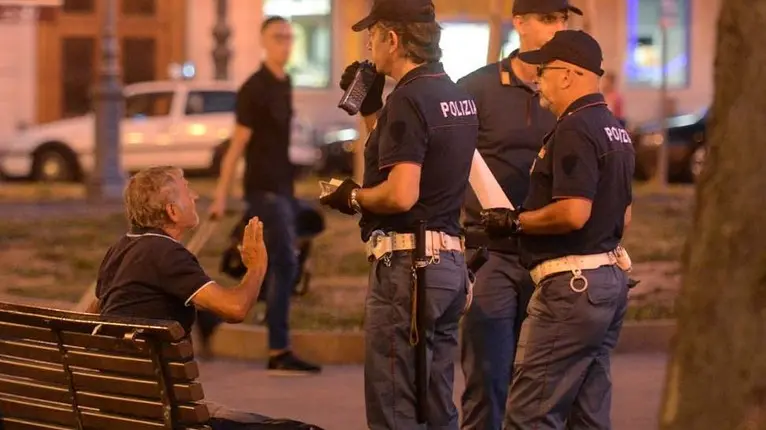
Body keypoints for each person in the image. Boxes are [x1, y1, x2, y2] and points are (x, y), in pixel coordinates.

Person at [319, 0, 478, 428]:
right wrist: (373, 111)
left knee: (394, 406)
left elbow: (402, 194)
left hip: (408, 268)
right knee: (436, 402)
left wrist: (351, 197)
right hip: (448, 265)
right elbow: (409, 156)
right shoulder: (453, 94)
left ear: (393, 39)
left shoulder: (409, 100)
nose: (368, 44)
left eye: (372, 35)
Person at [479, 30, 635, 430]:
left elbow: (572, 213)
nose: (537, 80)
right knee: (587, 414)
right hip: (607, 282)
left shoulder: (575, 128)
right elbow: (625, 216)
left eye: (544, 71)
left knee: (530, 414)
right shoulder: (614, 128)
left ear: (567, 75)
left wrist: (515, 221)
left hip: (571, 289)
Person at [93, 166, 325, 430]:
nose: (195, 197)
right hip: (161, 413)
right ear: (172, 211)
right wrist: (258, 266)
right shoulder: (165, 253)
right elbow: (235, 309)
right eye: (187, 191)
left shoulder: (120, 249)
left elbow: (95, 315)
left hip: (117, 406)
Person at [454, 1, 579, 428]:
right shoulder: (475, 89)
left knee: (542, 390)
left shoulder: (570, 89)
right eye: (547, 18)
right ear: (519, 23)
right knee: (487, 381)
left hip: (553, 257)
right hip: (492, 256)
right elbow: (446, 166)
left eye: (563, 19)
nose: (558, 27)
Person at [208, 15, 321, 374]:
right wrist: (220, 196)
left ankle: (209, 318)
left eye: (289, 37)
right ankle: (278, 350)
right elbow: (237, 146)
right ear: (263, 41)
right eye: (278, 37)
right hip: (262, 191)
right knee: (283, 262)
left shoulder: (284, 81)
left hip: (283, 189)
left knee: (288, 248)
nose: (285, 44)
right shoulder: (253, 88)